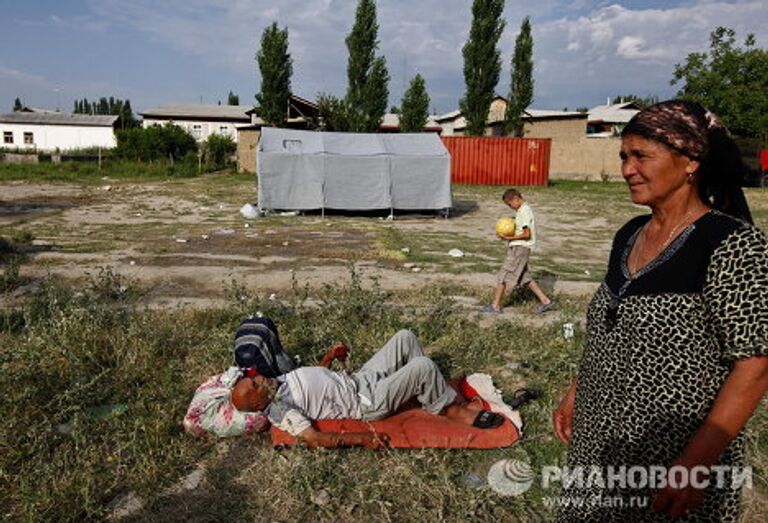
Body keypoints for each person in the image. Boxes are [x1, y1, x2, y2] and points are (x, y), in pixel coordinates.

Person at [552, 100, 767, 521]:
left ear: (689, 162)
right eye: (623, 157)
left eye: (641, 156)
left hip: (673, 453)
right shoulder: (629, 235)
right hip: (600, 440)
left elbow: (754, 364)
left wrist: (695, 465)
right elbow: (608, 327)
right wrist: (578, 391)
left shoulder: (731, 244)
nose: (628, 169)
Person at [232, 329, 505, 449]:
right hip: (367, 400)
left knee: (405, 338)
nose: (260, 379)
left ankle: (428, 392)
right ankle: (448, 408)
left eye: (255, 378)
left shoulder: (278, 381)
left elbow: (312, 381)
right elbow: (313, 439)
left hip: (360, 378)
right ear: (258, 404)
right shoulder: (282, 411)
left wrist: (328, 358)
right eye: (255, 385)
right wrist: (364, 438)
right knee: (422, 365)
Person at [482, 188, 555, 314]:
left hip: (519, 248)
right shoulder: (522, 210)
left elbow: (527, 234)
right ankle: (546, 301)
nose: (511, 207)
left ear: (516, 199)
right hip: (519, 248)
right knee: (524, 277)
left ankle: (495, 306)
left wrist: (508, 237)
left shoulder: (524, 211)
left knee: (503, 276)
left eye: (510, 205)